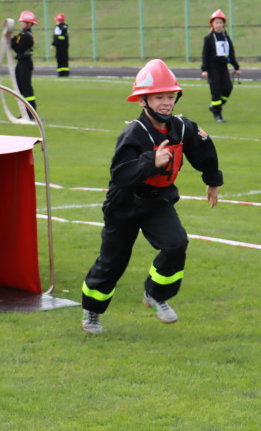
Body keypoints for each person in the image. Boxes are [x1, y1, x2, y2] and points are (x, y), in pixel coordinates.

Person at [80, 59, 222, 334]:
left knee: (176, 244)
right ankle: (92, 311)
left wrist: (213, 179)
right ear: (142, 101)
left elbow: (204, 148)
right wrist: (150, 162)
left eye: (170, 96)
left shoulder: (182, 128)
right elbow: (120, 174)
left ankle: (155, 294)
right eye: (159, 97)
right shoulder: (134, 133)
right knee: (112, 262)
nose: (166, 103)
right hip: (123, 206)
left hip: (157, 201)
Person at [200, 8, 240, 122]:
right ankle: (218, 115)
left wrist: (236, 67)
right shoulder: (208, 39)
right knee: (216, 91)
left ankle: (214, 106)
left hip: (223, 68)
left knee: (228, 88)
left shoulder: (226, 38)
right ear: (212, 24)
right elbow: (205, 55)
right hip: (213, 69)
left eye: (220, 22)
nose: (218, 25)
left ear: (223, 24)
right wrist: (204, 69)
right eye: (216, 22)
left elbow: (231, 54)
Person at [5, 10, 38, 115]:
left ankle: (31, 112)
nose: (21, 23)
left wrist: (12, 39)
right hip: (21, 63)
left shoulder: (27, 36)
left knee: (26, 88)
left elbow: (19, 48)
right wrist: (12, 38)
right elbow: (16, 43)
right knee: (20, 87)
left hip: (26, 63)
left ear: (29, 24)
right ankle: (24, 112)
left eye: (23, 22)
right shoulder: (23, 34)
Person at [52, 13, 70, 77]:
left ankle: (62, 72)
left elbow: (56, 37)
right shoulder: (63, 27)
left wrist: (53, 44)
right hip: (63, 46)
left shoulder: (60, 27)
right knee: (63, 59)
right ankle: (64, 72)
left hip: (61, 46)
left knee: (61, 59)